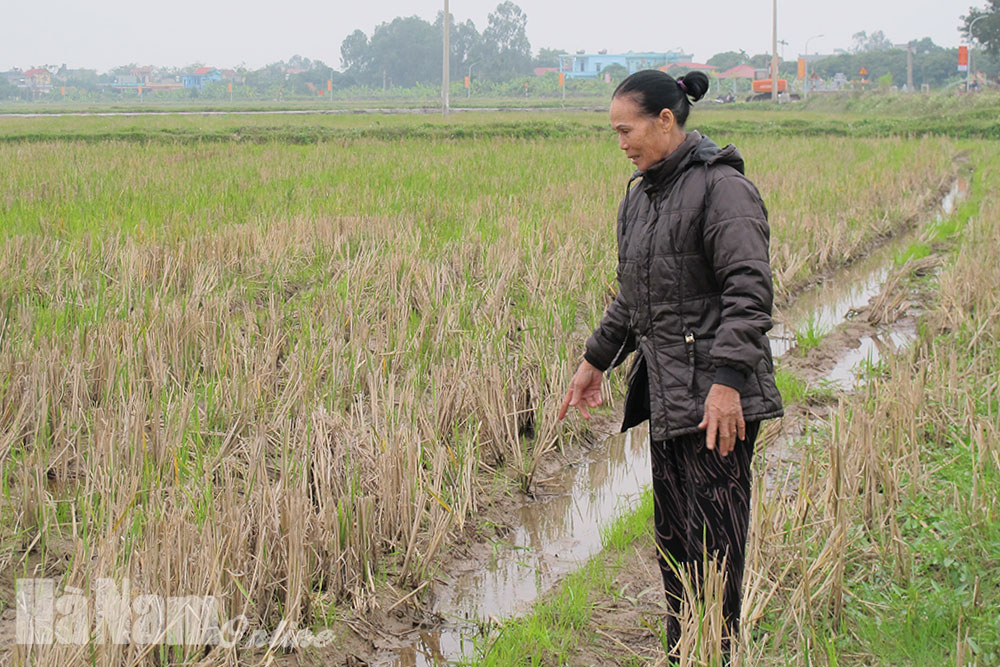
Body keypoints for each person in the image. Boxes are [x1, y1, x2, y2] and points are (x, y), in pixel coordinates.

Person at [557, 69, 783, 658]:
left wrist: (728, 384)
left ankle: (718, 652)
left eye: (626, 130)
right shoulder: (642, 198)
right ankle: (685, 651)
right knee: (675, 543)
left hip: (716, 403)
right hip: (670, 395)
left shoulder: (722, 189)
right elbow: (635, 293)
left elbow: (749, 292)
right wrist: (595, 361)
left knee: (717, 547)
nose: (621, 143)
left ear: (665, 120)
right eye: (614, 133)